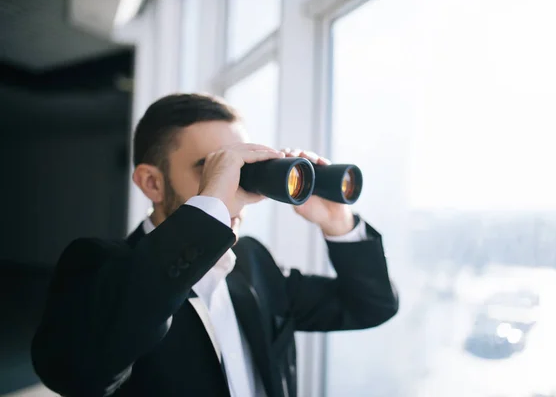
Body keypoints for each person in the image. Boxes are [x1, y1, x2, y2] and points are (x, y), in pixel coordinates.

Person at [31, 93, 399, 397]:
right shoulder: (99, 266)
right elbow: (74, 375)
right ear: (152, 183)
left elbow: (371, 305)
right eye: (214, 169)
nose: (235, 186)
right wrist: (211, 208)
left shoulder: (254, 263)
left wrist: (336, 222)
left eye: (243, 168)